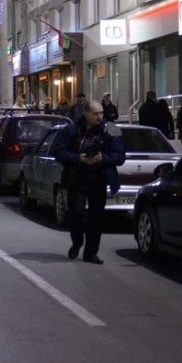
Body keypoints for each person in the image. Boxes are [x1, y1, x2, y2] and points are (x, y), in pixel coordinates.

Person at [52, 101, 126, 264]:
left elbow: (121, 155)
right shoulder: (70, 129)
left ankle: (91, 253)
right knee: (76, 214)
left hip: (99, 179)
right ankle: (77, 242)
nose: (100, 117)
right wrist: (77, 158)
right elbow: (58, 151)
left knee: (96, 218)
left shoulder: (111, 128)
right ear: (85, 113)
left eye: (101, 113)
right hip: (77, 178)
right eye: (96, 114)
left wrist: (103, 158)